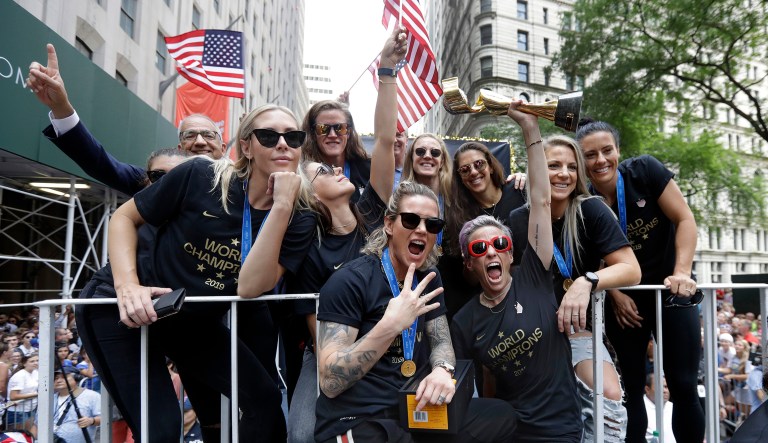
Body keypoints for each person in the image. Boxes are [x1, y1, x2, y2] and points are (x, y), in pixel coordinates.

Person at [78, 104, 315, 443]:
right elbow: (124, 219)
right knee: (160, 430)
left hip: (187, 320)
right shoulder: (200, 176)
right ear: (246, 146)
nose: (282, 144)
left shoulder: (300, 215)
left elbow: (249, 287)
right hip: (120, 308)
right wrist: (128, 286)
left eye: (292, 137)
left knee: (263, 400)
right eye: (268, 135)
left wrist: (280, 206)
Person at [314, 181, 518, 442]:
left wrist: (442, 371)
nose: (422, 230)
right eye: (411, 220)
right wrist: (390, 325)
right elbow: (331, 383)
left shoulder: (429, 278)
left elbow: (441, 341)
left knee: (501, 415)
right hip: (361, 419)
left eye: (432, 224)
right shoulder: (350, 281)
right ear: (389, 224)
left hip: (414, 410)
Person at [286, 27, 403, 443]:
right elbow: (323, 344)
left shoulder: (373, 209)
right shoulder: (307, 238)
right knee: (302, 434)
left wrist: (387, 69)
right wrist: (344, 367)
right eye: (324, 129)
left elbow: (386, 141)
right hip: (329, 353)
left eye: (341, 127)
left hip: (394, 340)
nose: (334, 137)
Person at [451, 102, 582, 442]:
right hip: (509, 430)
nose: (491, 251)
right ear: (469, 263)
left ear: (511, 253)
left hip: (560, 429)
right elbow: (479, 387)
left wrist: (529, 128)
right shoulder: (464, 322)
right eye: (479, 249)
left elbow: (541, 199)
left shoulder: (534, 275)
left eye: (499, 244)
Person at [507, 134, 641, 441]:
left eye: (571, 167)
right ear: (537, 169)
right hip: (533, 337)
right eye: (553, 165)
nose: (564, 174)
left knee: (608, 393)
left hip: (580, 331)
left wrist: (587, 280)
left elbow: (631, 270)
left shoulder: (591, 209)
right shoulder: (518, 217)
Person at [576, 119, 703, 442]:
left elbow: (684, 218)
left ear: (618, 151)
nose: (600, 160)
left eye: (607, 151)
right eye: (590, 155)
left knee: (684, 383)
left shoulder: (645, 171)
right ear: (581, 160)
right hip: (625, 303)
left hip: (671, 290)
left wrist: (682, 273)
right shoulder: (581, 200)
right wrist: (616, 293)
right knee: (631, 387)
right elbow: (593, 259)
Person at [27, 44, 227, 197]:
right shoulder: (155, 179)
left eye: (209, 135)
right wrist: (61, 107)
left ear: (223, 147)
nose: (200, 142)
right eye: (190, 135)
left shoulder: (245, 189)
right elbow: (99, 162)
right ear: (180, 147)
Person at [441, 141, 526, 319]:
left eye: (479, 164)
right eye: (465, 170)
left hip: (529, 290)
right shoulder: (458, 218)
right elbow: (466, 280)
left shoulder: (520, 191)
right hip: (490, 305)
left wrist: (529, 180)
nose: (473, 172)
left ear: (491, 166)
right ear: (460, 179)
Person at [301, 100, 371, 198]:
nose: (332, 135)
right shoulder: (303, 177)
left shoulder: (368, 169)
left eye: (340, 127)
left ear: (348, 132)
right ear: (313, 134)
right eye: (323, 128)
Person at [45, 366, 101, 443]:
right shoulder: (48, 399)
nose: (58, 380)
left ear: (77, 378)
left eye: (64, 377)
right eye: (56, 378)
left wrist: (91, 420)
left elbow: (104, 418)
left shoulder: (92, 396)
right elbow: (36, 424)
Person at [6, 354, 39, 431]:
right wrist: (35, 394)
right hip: (18, 411)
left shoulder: (36, 372)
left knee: (29, 435)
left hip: (31, 409)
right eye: (32, 361)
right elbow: (13, 396)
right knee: (20, 436)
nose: (36, 363)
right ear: (24, 363)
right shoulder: (19, 375)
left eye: (37, 360)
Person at [643, 375, 675, 443]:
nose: (665, 391)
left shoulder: (673, 407)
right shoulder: (640, 410)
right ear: (647, 389)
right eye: (660, 387)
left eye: (666, 387)